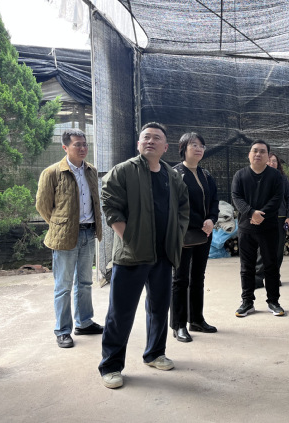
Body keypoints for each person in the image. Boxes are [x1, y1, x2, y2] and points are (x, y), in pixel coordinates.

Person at [98, 123, 190, 389]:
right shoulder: (124, 170)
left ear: (165, 147)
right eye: (146, 137)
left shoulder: (172, 176)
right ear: (138, 144)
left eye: (156, 138)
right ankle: (111, 366)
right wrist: (127, 236)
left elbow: (183, 207)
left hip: (163, 254)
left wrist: (176, 235)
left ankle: (155, 353)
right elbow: (109, 202)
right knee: (121, 312)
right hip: (131, 254)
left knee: (159, 308)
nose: (150, 141)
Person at [36, 129, 103, 349]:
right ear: (65, 147)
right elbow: (43, 206)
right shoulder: (52, 173)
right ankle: (63, 330)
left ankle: (84, 322)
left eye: (85, 144)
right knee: (63, 286)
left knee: (85, 282)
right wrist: (60, 225)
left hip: (88, 232)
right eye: (77, 145)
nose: (83, 148)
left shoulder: (91, 170)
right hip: (65, 235)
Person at [170, 132, 220, 343]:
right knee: (180, 279)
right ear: (183, 148)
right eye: (194, 145)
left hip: (204, 233)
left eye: (201, 145)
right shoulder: (175, 174)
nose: (199, 149)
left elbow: (215, 200)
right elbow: (172, 206)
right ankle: (179, 324)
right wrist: (197, 222)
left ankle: (196, 320)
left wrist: (211, 219)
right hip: (183, 234)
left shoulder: (206, 174)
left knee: (198, 276)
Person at [231, 140, 285, 317]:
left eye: (262, 151)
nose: (258, 154)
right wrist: (251, 212)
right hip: (246, 228)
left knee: (271, 266)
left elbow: (277, 198)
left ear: (268, 156)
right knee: (246, 267)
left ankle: (273, 301)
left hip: (269, 228)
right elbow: (236, 197)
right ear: (249, 154)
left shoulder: (275, 176)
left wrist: (261, 215)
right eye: (255, 151)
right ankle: (247, 302)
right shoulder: (240, 175)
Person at [255, 153, 289, 289]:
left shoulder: (283, 178)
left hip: (280, 218)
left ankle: (273, 277)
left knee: (277, 251)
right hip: (264, 218)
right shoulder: (259, 177)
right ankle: (257, 278)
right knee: (262, 249)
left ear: (278, 164)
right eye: (269, 161)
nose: (272, 163)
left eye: (274, 161)